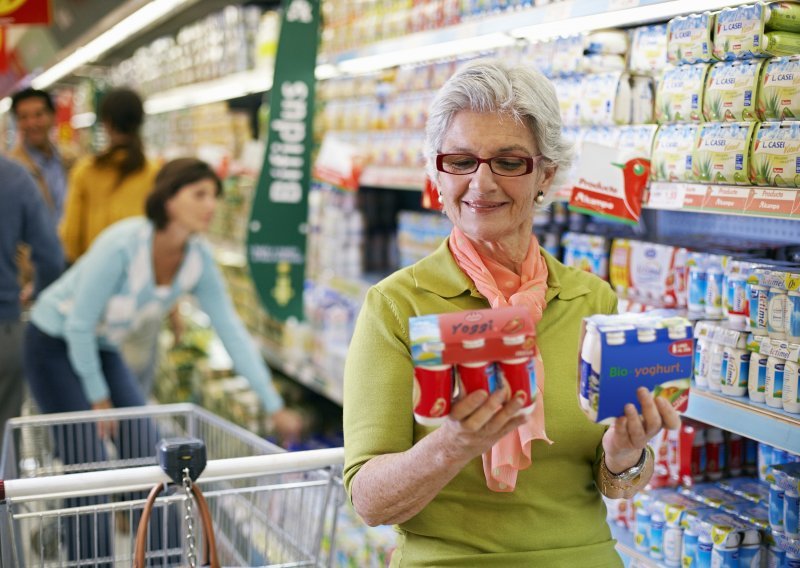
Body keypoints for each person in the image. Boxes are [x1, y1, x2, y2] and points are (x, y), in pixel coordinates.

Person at [343, 59, 681, 566]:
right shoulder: (397, 306)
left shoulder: (592, 301)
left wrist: (624, 453)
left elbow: (615, 484)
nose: (481, 184)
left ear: (546, 173)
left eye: (508, 161)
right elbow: (369, 502)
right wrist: (452, 445)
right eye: (460, 161)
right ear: (437, 172)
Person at [23, 157, 303, 562]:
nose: (211, 205)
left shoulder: (197, 262)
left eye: (214, 196)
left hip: (100, 346)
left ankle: (163, 560)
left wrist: (274, 406)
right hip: (52, 343)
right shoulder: (123, 244)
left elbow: (232, 333)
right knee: (89, 466)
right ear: (169, 199)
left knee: (155, 454)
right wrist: (99, 399)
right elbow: (79, 324)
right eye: (200, 194)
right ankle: (91, 559)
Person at [59, 87, 164, 394]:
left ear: (105, 123)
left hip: (95, 295)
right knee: (136, 392)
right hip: (142, 297)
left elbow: (71, 239)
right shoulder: (153, 173)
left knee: (95, 387)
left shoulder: (86, 172)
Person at [0, 155, 64, 437]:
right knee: (4, 447)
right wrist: (35, 291)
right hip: (4, 327)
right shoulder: (14, 177)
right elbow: (50, 256)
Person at [10, 87, 76, 223]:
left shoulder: (72, 159)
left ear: (52, 117)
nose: (31, 123)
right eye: (23, 117)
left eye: (38, 115)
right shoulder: (11, 170)